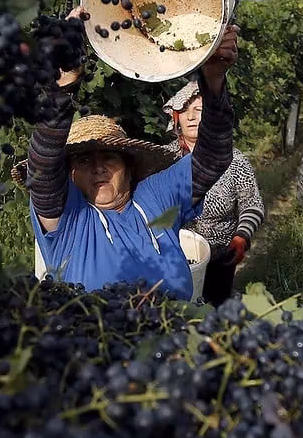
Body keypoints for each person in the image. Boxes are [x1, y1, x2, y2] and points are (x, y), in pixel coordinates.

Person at [14, 19, 240, 300]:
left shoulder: (155, 198)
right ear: (69, 176)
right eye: (83, 162)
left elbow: (213, 158)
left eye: (109, 157)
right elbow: (44, 167)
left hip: (171, 337)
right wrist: (61, 90)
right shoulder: (70, 221)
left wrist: (213, 80)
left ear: (129, 168)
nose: (98, 167)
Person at [162, 79, 264, 306]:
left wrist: (241, 237)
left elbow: (252, 204)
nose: (191, 117)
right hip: (173, 257)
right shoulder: (162, 160)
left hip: (220, 258)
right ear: (175, 119)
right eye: (184, 111)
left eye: (199, 110)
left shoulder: (233, 160)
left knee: (213, 315)